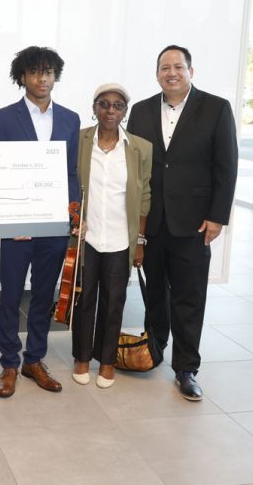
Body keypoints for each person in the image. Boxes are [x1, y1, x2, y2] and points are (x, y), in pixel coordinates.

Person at [127, 45, 238, 401]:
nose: (171, 72)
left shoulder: (216, 108)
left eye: (178, 66)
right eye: (165, 67)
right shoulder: (141, 110)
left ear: (191, 71)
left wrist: (218, 215)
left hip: (194, 222)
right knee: (155, 294)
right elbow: (135, 169)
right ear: (157, 73)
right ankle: (153, 349)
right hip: (153, 221)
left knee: (189, 297)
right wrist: (135, 222)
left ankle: (186, 368)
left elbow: (226, 165)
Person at [0, 46, 80, 398]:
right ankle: (9, 363)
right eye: (35, 72)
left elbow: (71, 172)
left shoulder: (70, 119)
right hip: (16, 225)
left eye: (48, 72)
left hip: (54, 224)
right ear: (22, 77)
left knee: (43, 295)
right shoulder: (3, 118)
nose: (42, 78)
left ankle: (34, 359)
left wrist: (73, 213)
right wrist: (6, 220)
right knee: (11, 295)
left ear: (56, 76)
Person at [71, 83, 152, 389]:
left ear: (124, 112)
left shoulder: (141, 149)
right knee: (84, 299)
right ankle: (81, 357)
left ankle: (106, 361)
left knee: (114, 301)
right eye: (104, 104)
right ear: (94, 108)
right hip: (87, 238)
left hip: (121, 239)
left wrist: (140, 241)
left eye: (118, 105)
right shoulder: (79, 141)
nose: (110, 110)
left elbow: (144, 196)